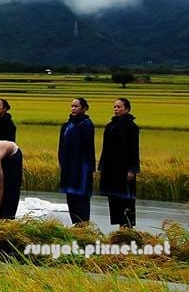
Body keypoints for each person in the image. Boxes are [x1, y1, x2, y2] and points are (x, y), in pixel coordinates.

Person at [99, 97, 140, 227]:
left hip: (124, 169)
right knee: (115, 199)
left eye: (119, 107)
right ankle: (120, 230)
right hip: (111, 169)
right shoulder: (110, 126)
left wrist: (132, 169)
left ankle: (127, 229)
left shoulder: (131, 126)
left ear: (127, 109)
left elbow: (134, 149)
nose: (116, 109)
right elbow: (105, 148)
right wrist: (102, 167)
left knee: (126, 199)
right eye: (115, 107)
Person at [58, 97, 95, 223]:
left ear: (84, 108)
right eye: (72, 106)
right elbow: (61, 145)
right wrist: (61, 161)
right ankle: (75, 224)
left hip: (81, 165)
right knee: (70, 195)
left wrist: (89, 166)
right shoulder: (67, 125)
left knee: (81, 195)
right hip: (68, 165)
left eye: (76, 106)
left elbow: (88, 148)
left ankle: (83, 225)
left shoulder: (86, 125)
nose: (73, 108)